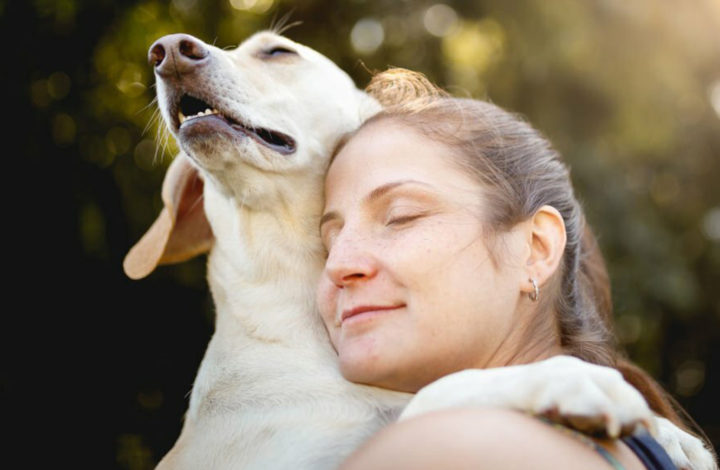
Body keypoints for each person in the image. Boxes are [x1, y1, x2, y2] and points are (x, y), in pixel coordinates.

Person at [315, 68, 714, 469]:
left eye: (401, 216)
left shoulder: (446, 449)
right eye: (326, 244)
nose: (339, 265)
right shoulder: (629, 448)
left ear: (535, 249)